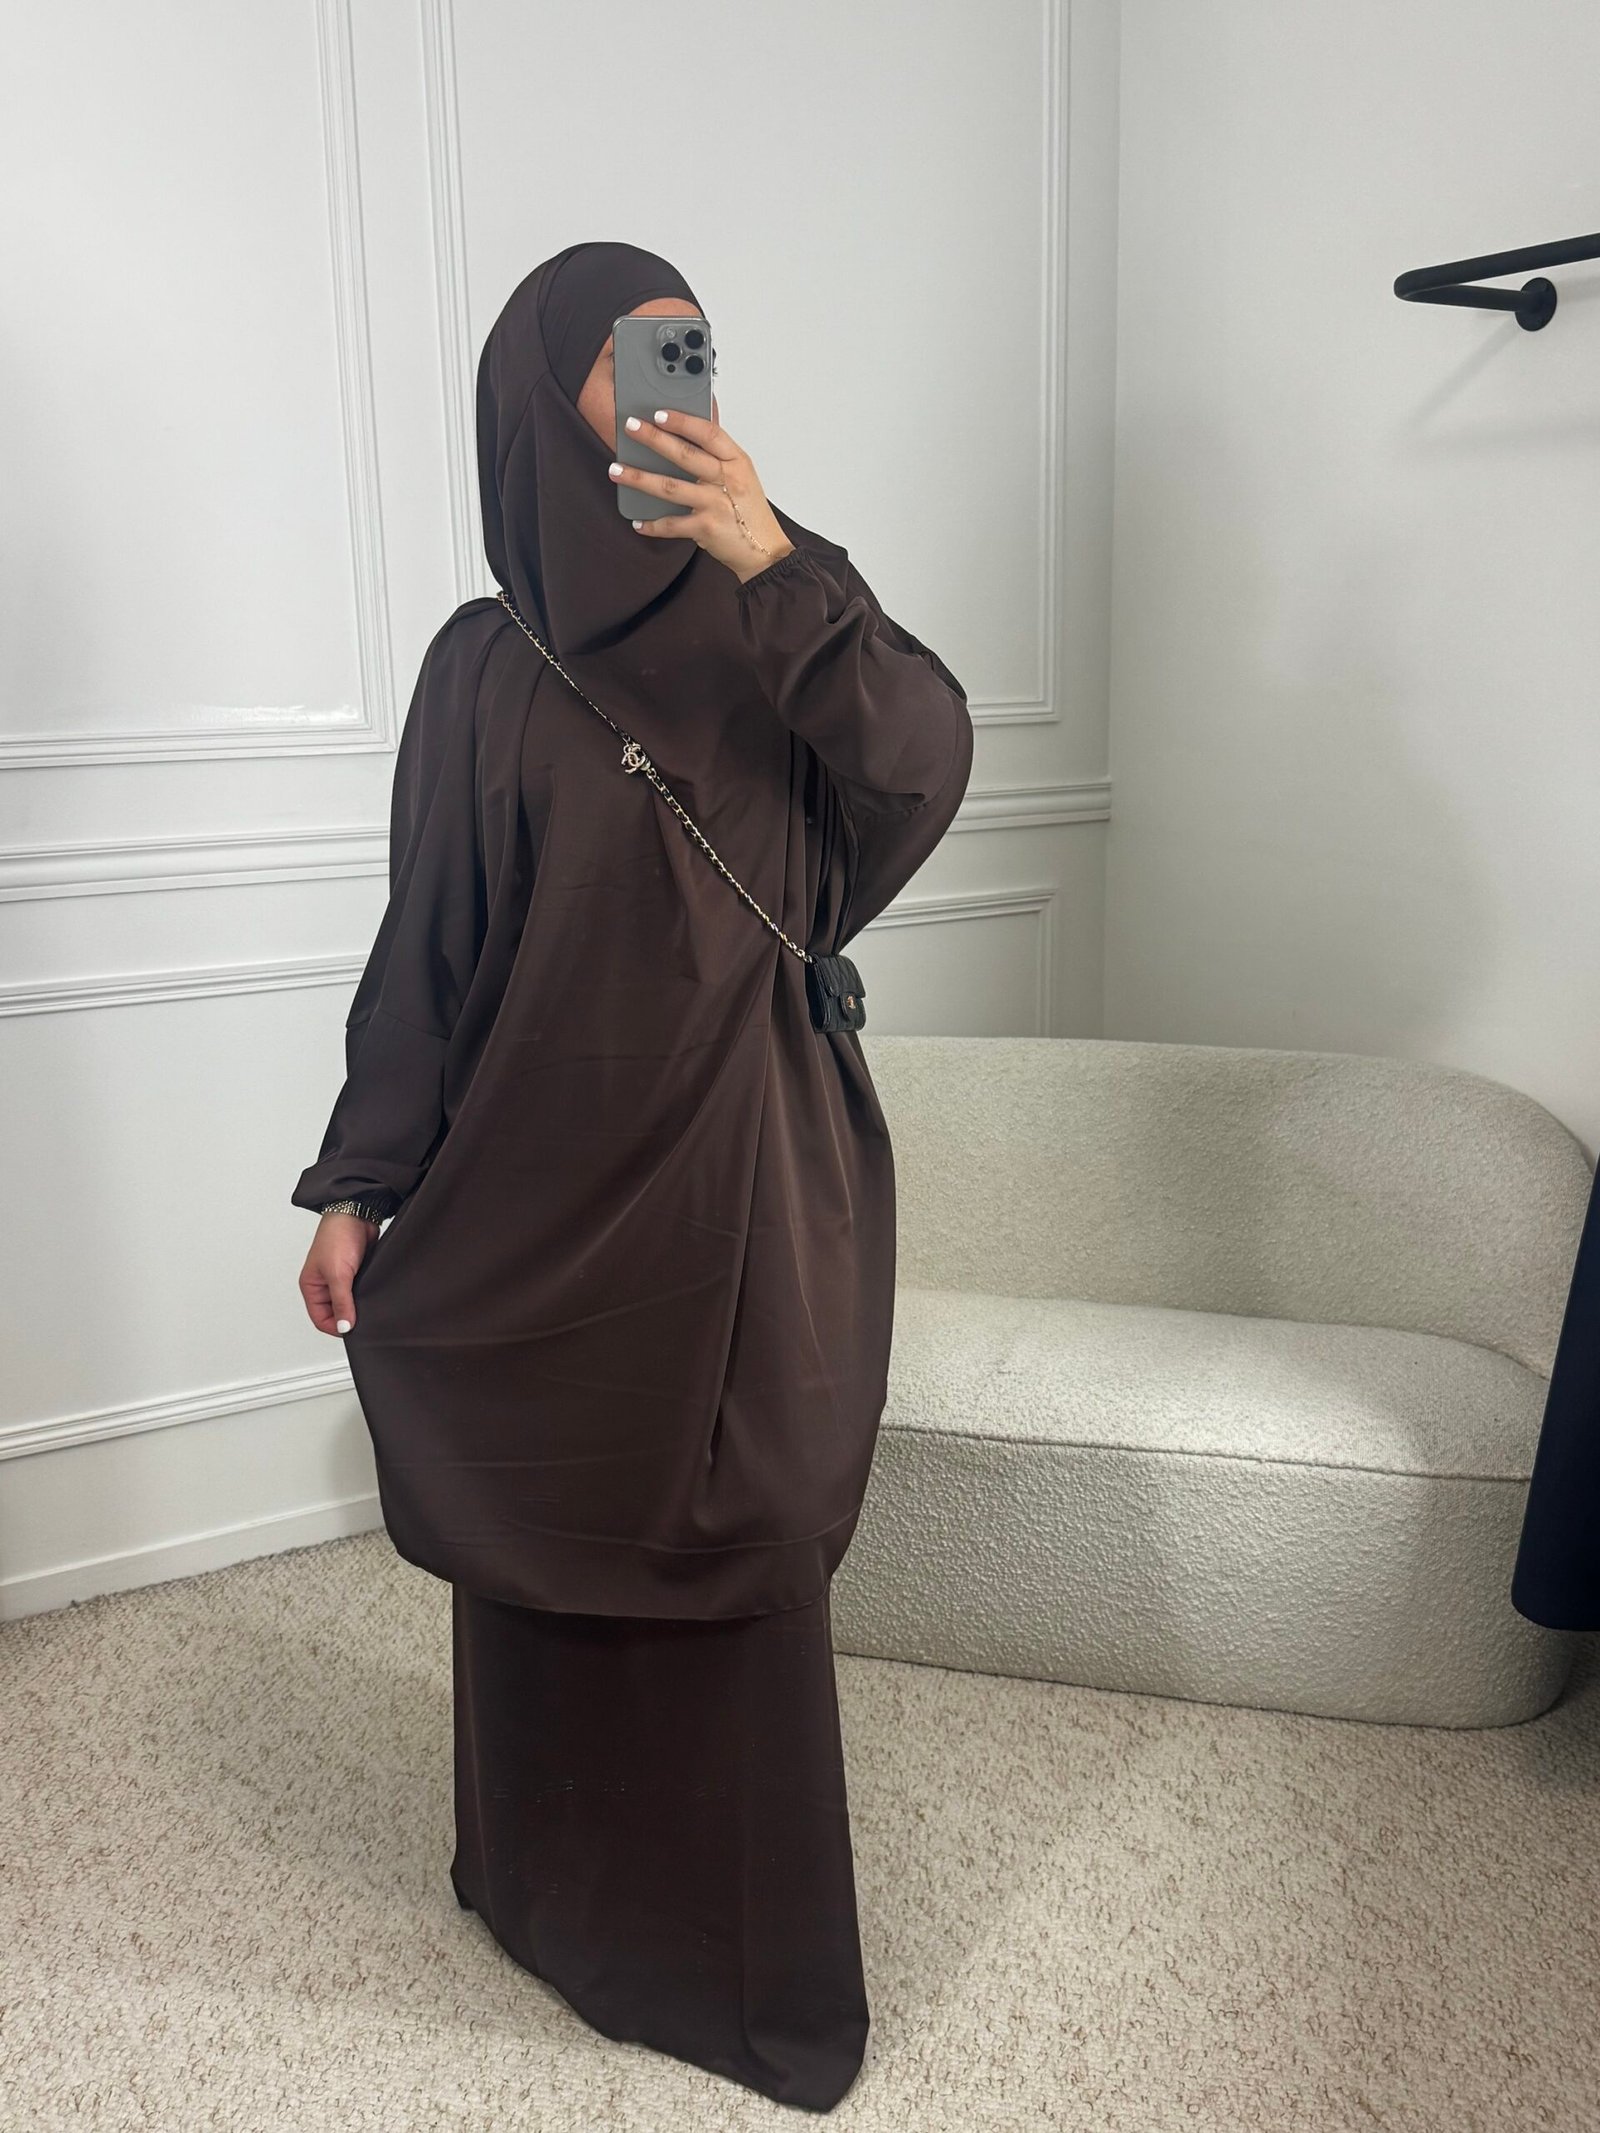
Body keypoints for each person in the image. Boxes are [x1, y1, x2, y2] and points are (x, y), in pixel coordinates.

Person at [290, 241, 973, 2111]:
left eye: (689, 341)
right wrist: (361, 1183)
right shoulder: (482, 664)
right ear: (542, 397)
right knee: (543, 1530)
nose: (676, 371)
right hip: (529, 1187)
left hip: (741, 1168)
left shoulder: (781, 602)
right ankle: (541, 1891)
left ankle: (744, 1983)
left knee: (735, 1536)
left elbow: (923, 767)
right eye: (628, 347)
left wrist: (777, 561)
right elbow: (432, 947)